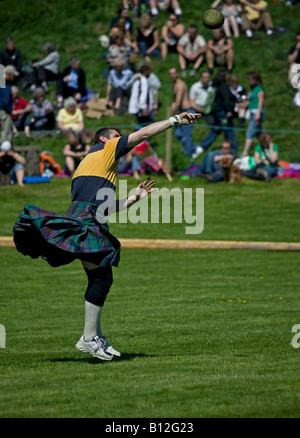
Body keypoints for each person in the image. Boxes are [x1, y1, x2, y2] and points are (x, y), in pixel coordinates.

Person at [13, 111, 201, 361]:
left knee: (100, 277)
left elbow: (105, 208)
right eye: (116, 136)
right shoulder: (105, 150)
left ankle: (94, 337)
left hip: (88, 217)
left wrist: (135, 198)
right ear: (104, 140)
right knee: (102, 278)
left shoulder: (95, 167)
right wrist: (174, 120)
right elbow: (143, 134)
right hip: (86, 220)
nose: (122, 139)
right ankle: (89, 338)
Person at [193, 70, 238, 159]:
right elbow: (227, 100)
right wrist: (229, 110)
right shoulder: (223, 86)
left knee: (216, 130)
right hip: (223, 113)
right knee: (229, 132)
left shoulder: (215, 86)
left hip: (216, 113)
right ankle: (234, 153)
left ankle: (200, 148)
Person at [169, 66, 198, 157]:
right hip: (182, 111)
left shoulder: (180, 85)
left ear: (177, 74)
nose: (172, 75)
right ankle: (194, 148)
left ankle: (189, 156)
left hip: (187, 111)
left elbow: (177, 102)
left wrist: (170, 116)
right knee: (178, 133)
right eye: (170, 74)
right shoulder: (174, 84)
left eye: (174, 73)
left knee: (187, 135)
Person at [241, 71, 264, 156]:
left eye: (251, 79)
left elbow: (260, 102)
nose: (249, 81)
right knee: (259, 134)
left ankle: (245, 152)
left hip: (256, 113)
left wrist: (258, 114)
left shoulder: (259, 89)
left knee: (250, 132)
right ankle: (266, 149)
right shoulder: (253, 89)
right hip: (252, 112)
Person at [0, 66, 15, 143]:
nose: (14, 77)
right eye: (13, 75)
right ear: (9, 74)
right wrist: (10, 110)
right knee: (6, 134)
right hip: (3, 112)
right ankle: (4, 148)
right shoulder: (5, 84)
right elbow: (5, 101)